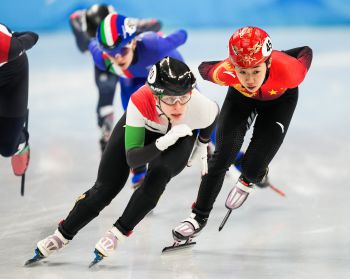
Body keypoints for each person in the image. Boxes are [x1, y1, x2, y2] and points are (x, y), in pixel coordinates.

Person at [27, 57, 218, 264]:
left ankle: (116, 234)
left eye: (183, 97)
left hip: (181, 134)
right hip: (147, 130)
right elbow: (133, 159)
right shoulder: (140, 100)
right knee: (105, 188)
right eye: (170, 99)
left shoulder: (200, 106)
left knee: (159, 174)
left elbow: (213, 114)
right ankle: (61, 235)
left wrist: (202, 142)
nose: (178, 105)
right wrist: (163, 142)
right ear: (155, 96)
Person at [172, 26, 313, 240]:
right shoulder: (225, 72)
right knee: (222, 157)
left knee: (252, 167)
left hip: (280, 101)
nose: (249, 80)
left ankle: (255, 175)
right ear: (233, 67)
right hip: (241, 100)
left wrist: (279, 55)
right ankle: (197, 216)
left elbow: (305, 51)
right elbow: (203, 68)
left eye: (256, 71)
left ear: (267, 63)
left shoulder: (290, 71)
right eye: (242, 72)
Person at [89, 12, 187, 188]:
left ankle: (232, 155)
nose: (118, 57)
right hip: (132, 78)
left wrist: (150, 34)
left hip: (166, 70)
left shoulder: (153, 45)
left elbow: (182, 34)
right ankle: (139, 170)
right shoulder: (101, 59)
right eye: (111, 53)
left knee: (192, 113)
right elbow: (90, 43)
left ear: (133, 42)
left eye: (123, 50)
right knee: (134, 120)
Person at [69, 4, 162, 153]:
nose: (109, 45)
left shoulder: (126, 27)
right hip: (107, 63)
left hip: (127, 63)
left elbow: (155, 24)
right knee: (107, 90)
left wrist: (139, 33)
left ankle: (142, 126)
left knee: (132, 93)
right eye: (100, 40)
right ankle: (107, 129)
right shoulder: (86, 36)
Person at [0, 23, 38, 176]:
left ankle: (20, 139)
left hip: (13, 73)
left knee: (7, 148)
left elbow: (33, 36)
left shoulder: (7, 47)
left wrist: (14, 36)